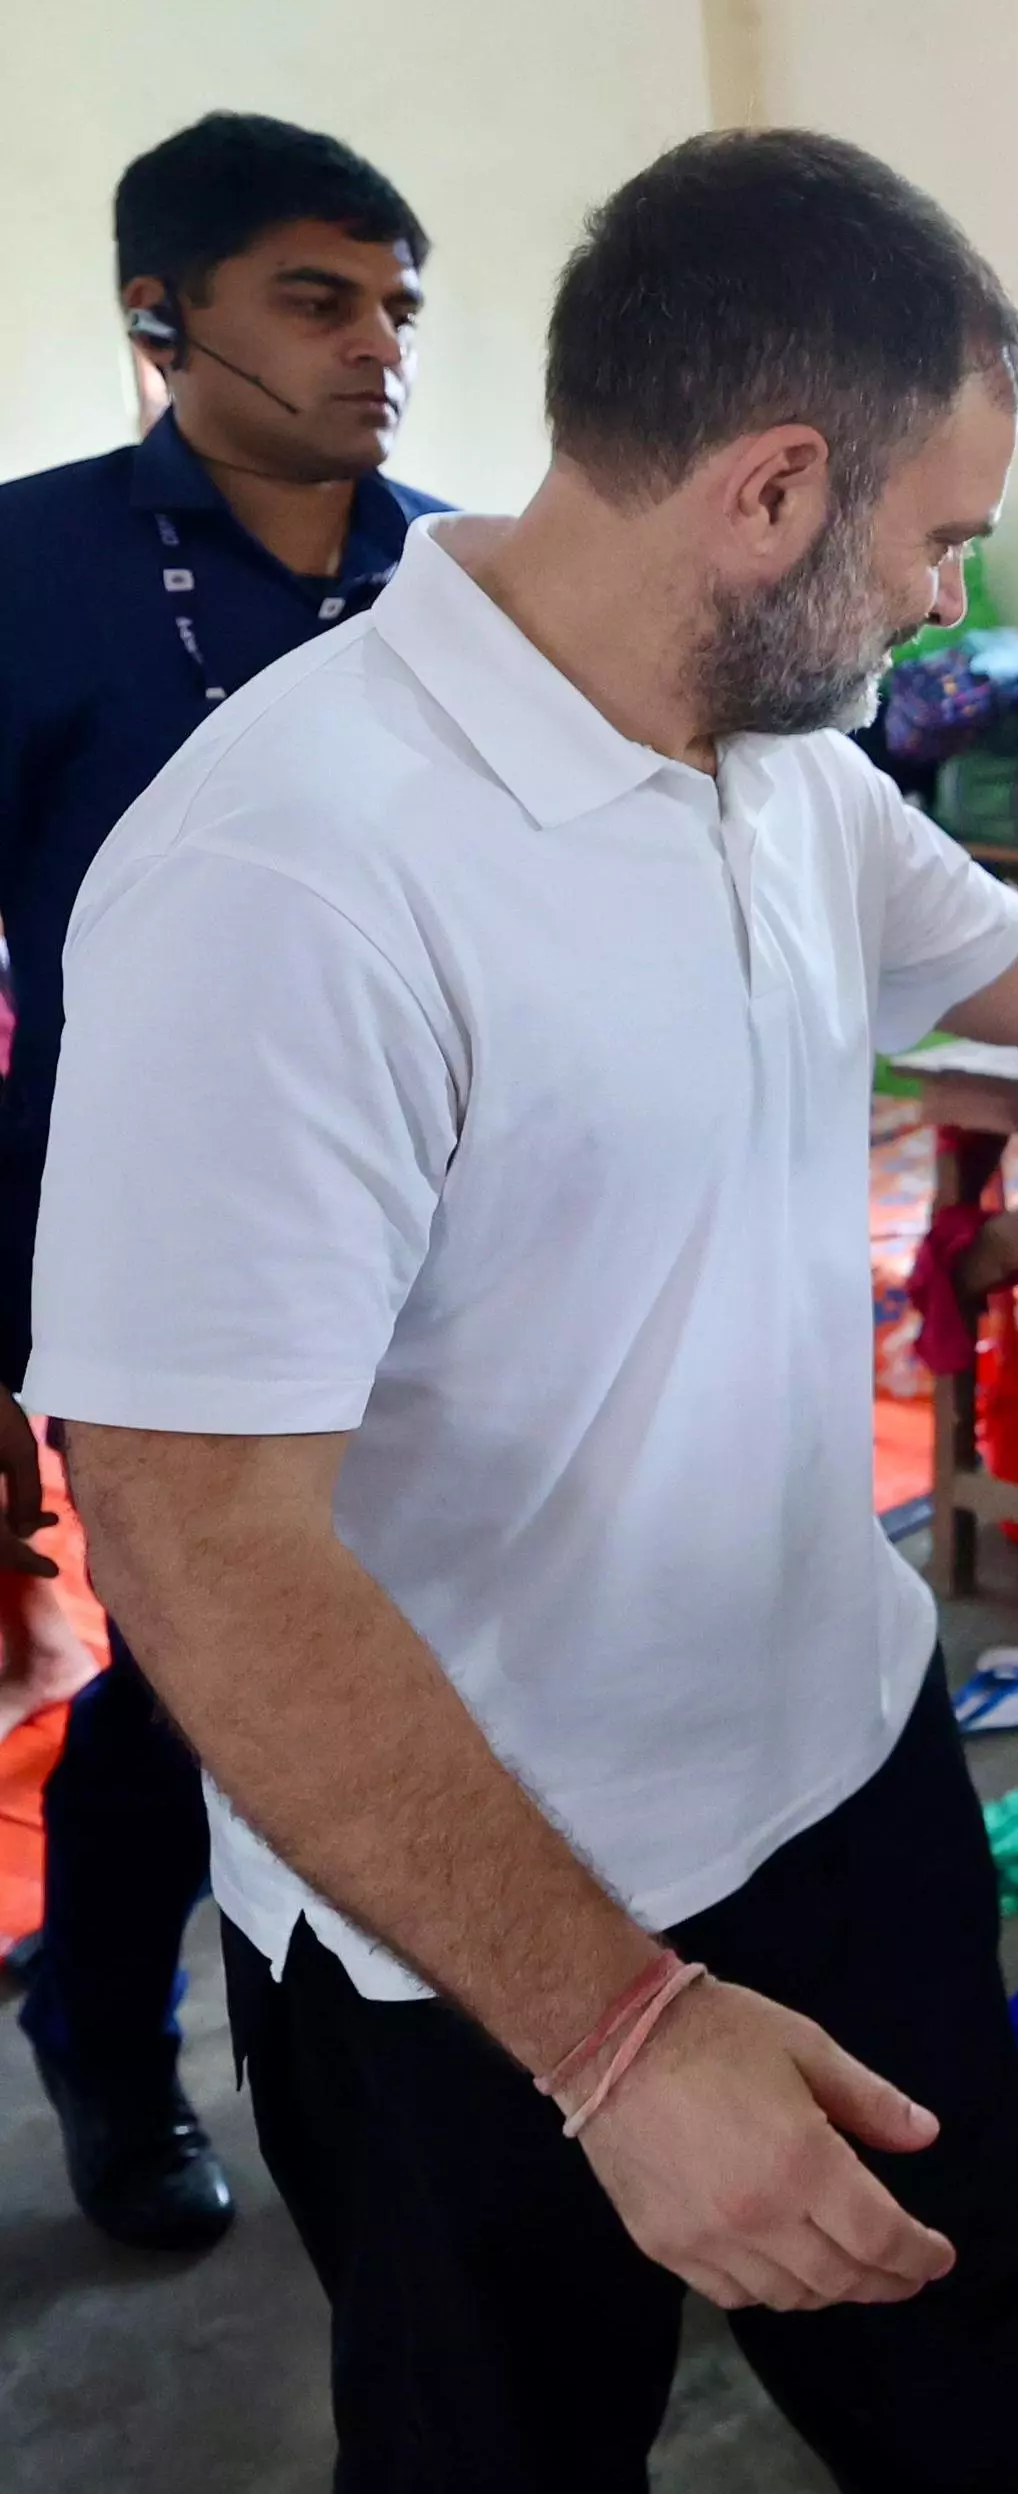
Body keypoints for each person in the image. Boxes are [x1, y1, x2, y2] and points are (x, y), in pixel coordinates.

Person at [27, 129, 1018, 2484]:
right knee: (506, 2445)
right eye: (934, 542)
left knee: (988, 2383)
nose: (945, 606)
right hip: (480, 1941)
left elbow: (1016, 947)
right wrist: (622, 2037)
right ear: (768, 493)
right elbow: (193, 1536)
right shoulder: (289, 872)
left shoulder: (765, 755)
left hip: (834, 1783)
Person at [0, 112, 439, 2259]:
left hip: (445, 1231)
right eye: (320, 298)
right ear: (158, 314)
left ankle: (419, 2016)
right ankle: (103, 2031)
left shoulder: (460, 577)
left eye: (395, 306)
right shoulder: (31, 565)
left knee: (442, 1630)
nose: (378, 349)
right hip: (146, 1243)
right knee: (192, 1679)